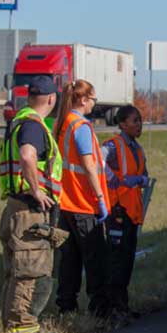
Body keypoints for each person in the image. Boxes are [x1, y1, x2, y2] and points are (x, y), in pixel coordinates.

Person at [0, 76, 67, 333]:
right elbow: (28, 155)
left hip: (17, 207)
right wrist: (37, 190)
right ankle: (22, 327)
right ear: (51, 99)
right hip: (28, 211)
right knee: (31, 270)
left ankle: (14, 326)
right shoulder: (33, 125)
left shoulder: (19, 121)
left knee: (16, 271)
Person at [54, 79, 113, 320]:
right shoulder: (81, 127)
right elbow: (89, 165)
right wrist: (99, 197)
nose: (93, 104)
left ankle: (66, 307)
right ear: (83, 99)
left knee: (70, 260)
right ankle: (99, 310)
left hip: (66, 201)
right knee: (95, 259)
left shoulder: (63, 123)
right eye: (93, 100)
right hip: (83, 202)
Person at [102, 105, 149, 315]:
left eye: (140, 120)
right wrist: (115, 180)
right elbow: (96, 162)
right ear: (122, 124)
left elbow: (144, 175)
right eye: (134, 121)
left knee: (127, 260)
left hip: (133, 212)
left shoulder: (137, 149)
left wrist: (141, 179)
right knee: (115, 261)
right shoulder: (113, 145)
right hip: (117, 211)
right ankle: (112, 306)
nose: (139, 125)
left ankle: (123, 305)